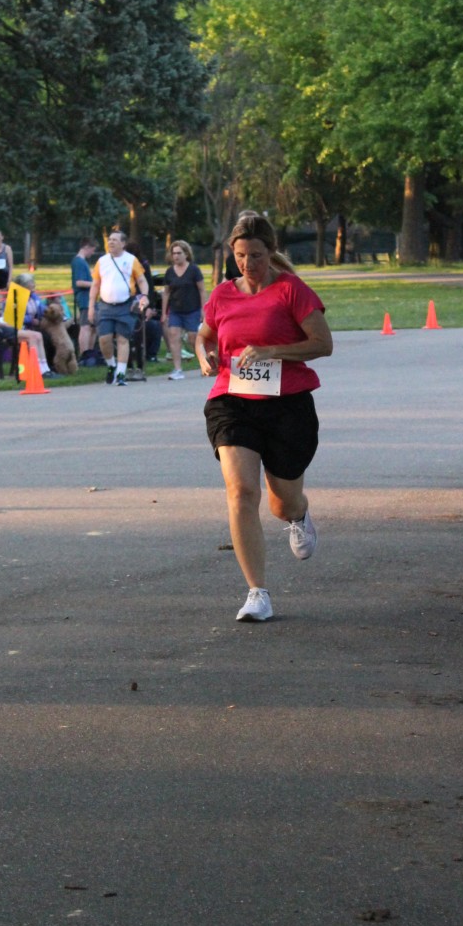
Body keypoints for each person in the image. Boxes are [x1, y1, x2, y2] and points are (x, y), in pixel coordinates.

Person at [196, 211, 333, 623]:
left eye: (255, 255)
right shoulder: (223, 294)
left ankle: (298, 515)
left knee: (282, 502)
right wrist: (205, 356)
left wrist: (272, 351)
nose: (247, 264)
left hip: (287, 404)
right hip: (232, 401)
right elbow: (204, 335)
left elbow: (322, 343)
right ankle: (257, 592)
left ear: (270, 252)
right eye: (240, 256)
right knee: (241, 492)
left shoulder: (291, 290)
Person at [87, 229, 150, 386]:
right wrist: (91, 307)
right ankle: (111, 365)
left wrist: (144, 296)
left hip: (125, 305)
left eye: (115, 240)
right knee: (104, 339)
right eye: (109, 240)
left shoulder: (131, 260)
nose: (111, 242)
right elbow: (95, 284)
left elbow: (142, 281)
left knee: (123, 339)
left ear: (123, 243)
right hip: (105, 305)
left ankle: (121, 374)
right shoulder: (102, 261)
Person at [161, 240, 208, 380]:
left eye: (179, 253)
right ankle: (177, 369)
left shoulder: (194, 270)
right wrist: (164, 313)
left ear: (186, 254)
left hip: (192, 309)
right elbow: (166, 293)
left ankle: (204, 363)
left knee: (193, 338)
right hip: (175, 310)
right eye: (174, 253)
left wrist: (203, 310)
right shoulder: (170, 272)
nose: (176, 256)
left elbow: (202, 290)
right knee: (173, 335)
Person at [71, 238, 96, 358]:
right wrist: (96, 284)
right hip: (84, 298)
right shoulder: (79, 262)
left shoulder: (82, 262)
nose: (93, 253)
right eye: (92, 250)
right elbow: (79, 282)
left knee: (93, 327)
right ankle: (84, 354)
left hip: (89, 298)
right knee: (85, 326)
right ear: (86, 247)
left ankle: (90, 353)